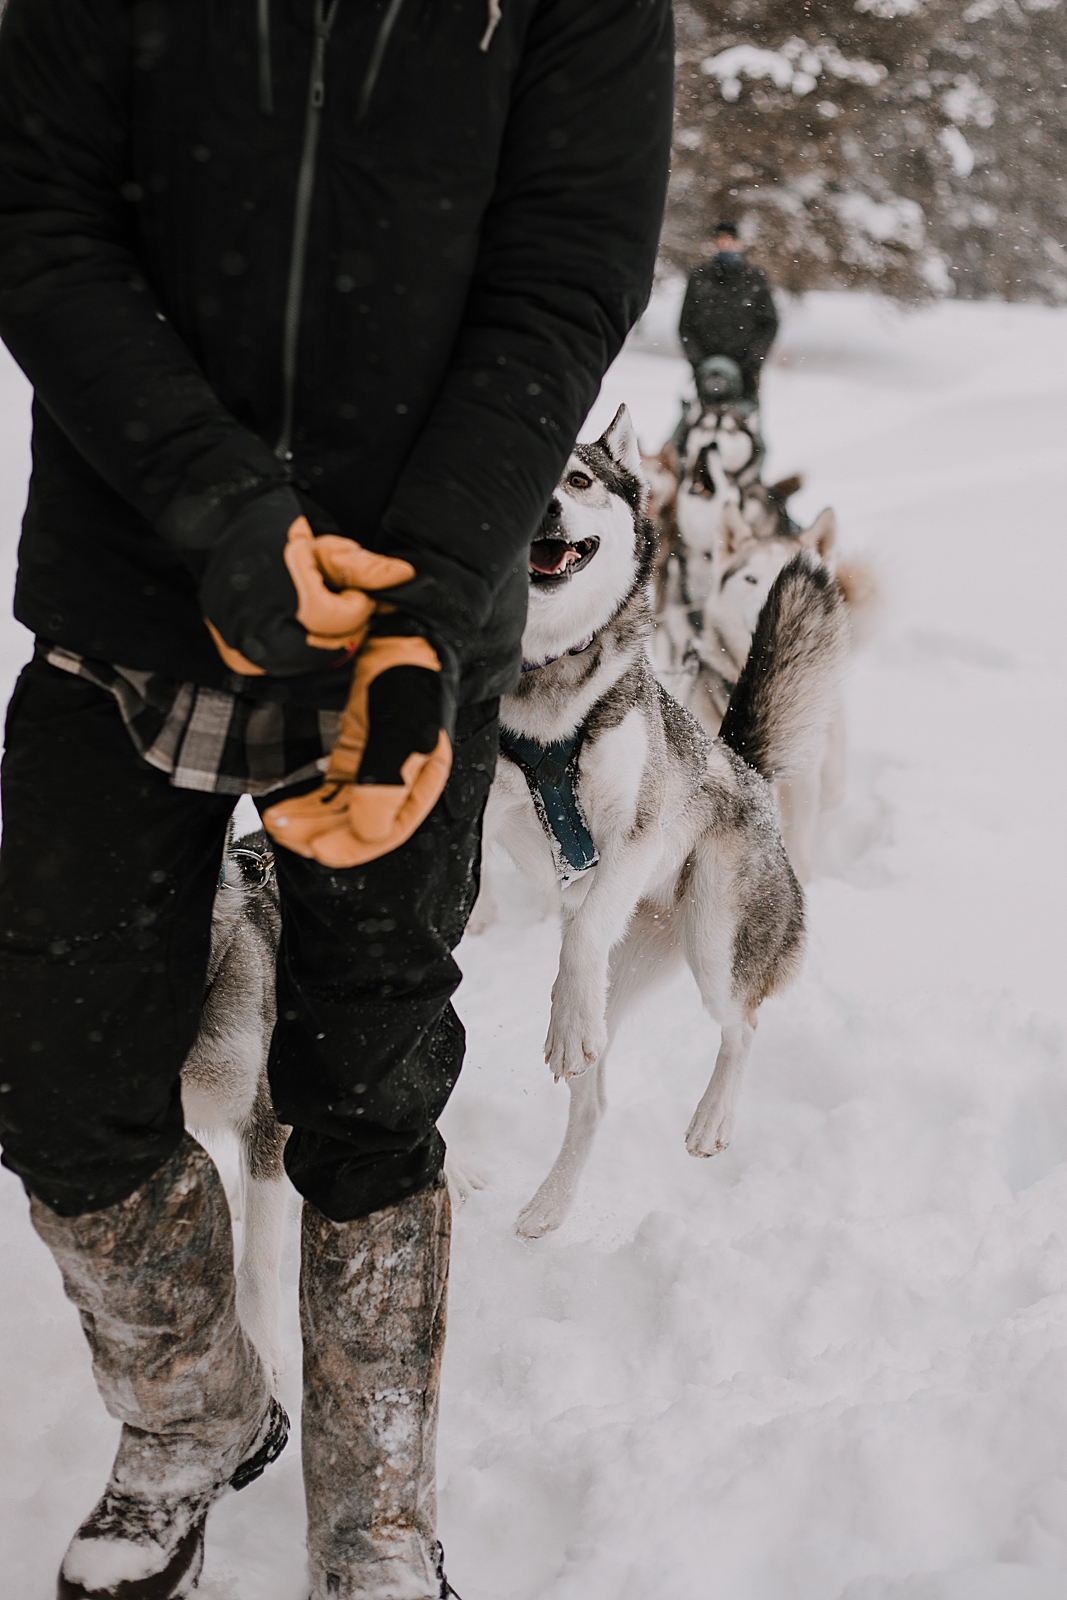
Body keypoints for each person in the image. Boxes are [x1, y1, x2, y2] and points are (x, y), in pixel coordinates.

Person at [0, 2, 673, 1597]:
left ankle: (372, 1513)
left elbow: (561, 272)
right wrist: (216, 502)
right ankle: (188, 1414)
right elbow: (38, 214)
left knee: (367, 1088)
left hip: (412, 613)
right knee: (51, 1077)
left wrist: (431, 604)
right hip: (133, 590)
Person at [678, 221, 779, 403]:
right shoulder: (699, 277)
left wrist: (753, 360)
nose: (725, 244)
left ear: (739, 243)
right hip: (707, 369)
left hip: (746, 370)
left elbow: (769, 324)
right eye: (720, 239)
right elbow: (686, 324)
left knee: (746, 423)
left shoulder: (755, 279)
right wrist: (698, 360)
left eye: (730, 239)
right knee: (697, 422)